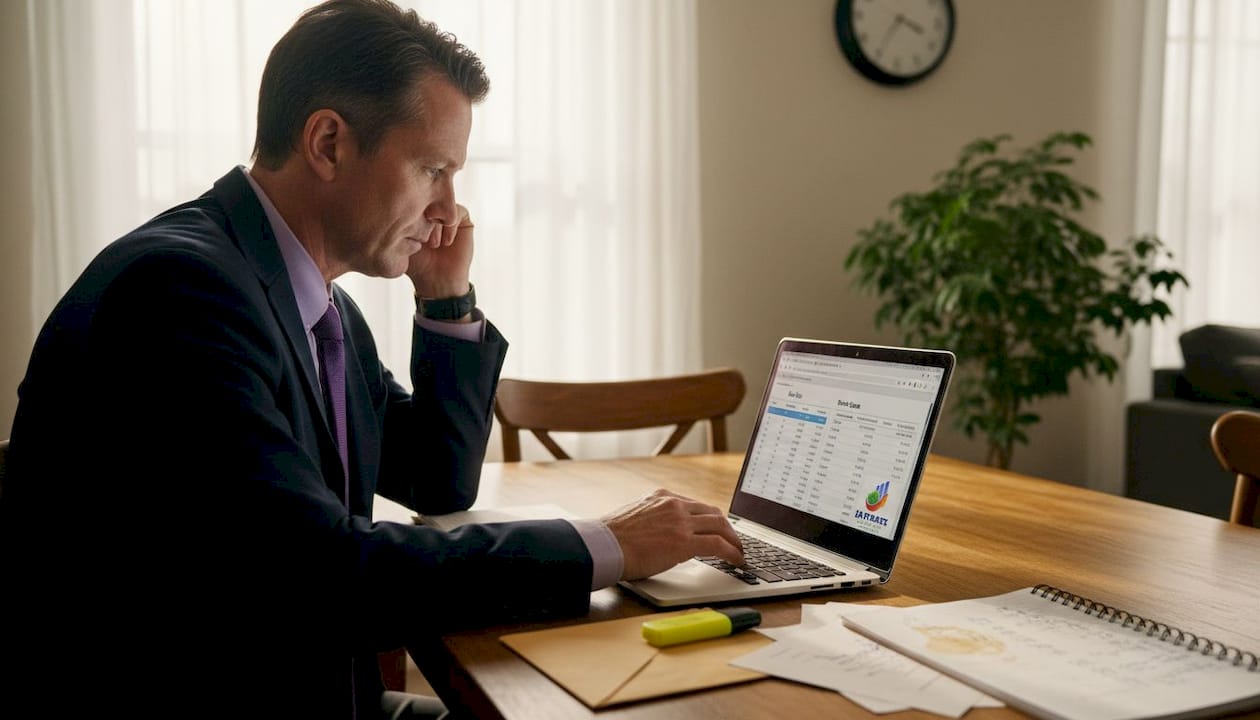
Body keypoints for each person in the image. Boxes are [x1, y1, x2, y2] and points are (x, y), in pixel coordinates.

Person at [0, 1, 743, 718]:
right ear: (329, 143)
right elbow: (321, 573)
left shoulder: (319, 305)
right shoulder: (181, 293)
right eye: (432, 170)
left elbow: (436, 477)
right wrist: (606, 545)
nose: (452, 208)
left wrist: (446, 303)